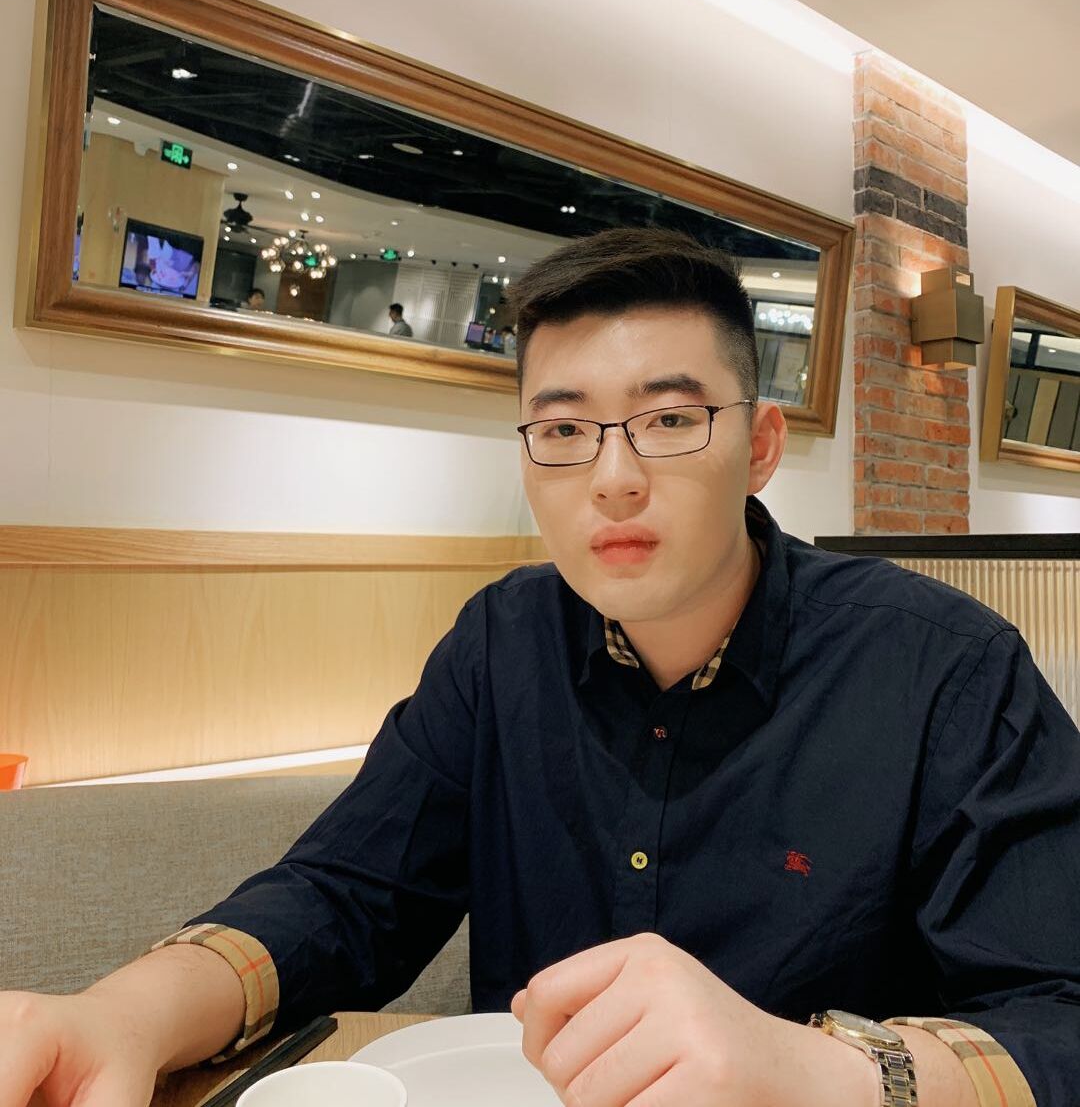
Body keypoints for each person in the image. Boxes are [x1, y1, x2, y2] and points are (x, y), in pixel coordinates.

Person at [3, 227, 1078, 1107]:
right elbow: (344, 894)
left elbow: (1061, 1018)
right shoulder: (500, 643)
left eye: (668, 420)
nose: (611, 477)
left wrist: (823, 1072)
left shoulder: (943, 670)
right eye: (562, 431)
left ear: (758, 445)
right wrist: (125, 1015)